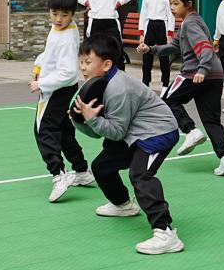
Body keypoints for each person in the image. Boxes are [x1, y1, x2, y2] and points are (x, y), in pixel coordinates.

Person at [73, 34, 184, 255]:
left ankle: (166, 233)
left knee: (140, 175)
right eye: (81, 62)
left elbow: (115, 132)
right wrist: (81, 120)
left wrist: (92, 119)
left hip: (157, 133)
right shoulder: (100, 84)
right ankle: (123, 205)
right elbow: (100, 133)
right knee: (102, 166)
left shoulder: (118, 89)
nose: (82, 68)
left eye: (88, 62)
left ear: (106, 64)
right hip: (133, 133)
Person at [137, 0, 224, 176]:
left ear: (189, 4)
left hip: (196, 73)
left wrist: (202, 69)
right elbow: (176, 45)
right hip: (215, 75)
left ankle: (191, 131)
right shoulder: (195, 20)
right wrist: (151, 49)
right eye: (170, 3)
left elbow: (205, 47)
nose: (172, 7)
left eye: (176, 3)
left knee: (167, 100)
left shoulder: (190, 24)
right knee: (211, 120)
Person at [28, 0, 95, 203]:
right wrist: (39, 66)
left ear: (73, 14)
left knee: (43, 130)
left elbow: (67, 73)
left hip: (57, 91)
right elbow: (50, 53)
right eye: (54, 13)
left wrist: (41, 83)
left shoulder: (66, 36)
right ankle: (82, 171)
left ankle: (59, 174)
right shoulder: (62, 28)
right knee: (65, 132)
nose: (58, 19)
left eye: (64, 15)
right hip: (63, 90)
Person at [75, 0, 135, 70]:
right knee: (94, 51)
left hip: (111, 21)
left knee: (117, 49)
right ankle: (95, 74)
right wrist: (86, 2)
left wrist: (119, 2)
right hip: (95, 21)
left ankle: (119, 74)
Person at [139, 0, 175, 97]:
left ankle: (165, 85)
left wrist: (170, 34)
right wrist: (141, 34)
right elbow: (143, 16)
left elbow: (171, 15)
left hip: (162, 27)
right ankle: (145, 83)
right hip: (150, 26)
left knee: (164, 57)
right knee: (147, 57)